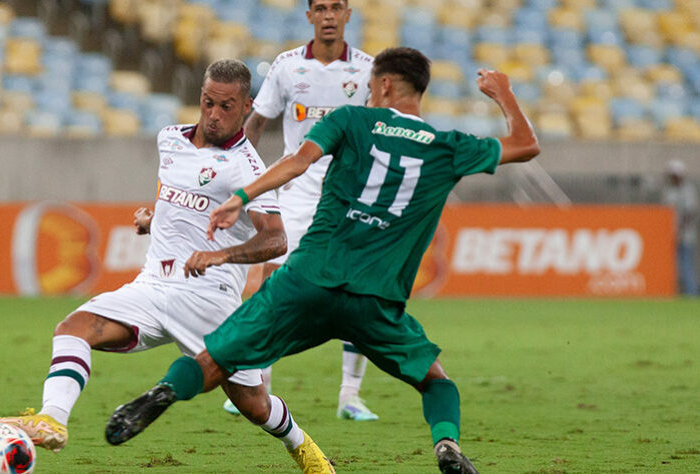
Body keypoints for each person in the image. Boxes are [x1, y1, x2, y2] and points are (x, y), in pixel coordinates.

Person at [105, 47, 540, 473]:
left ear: (385, 85)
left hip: (307, 281)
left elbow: (297, 162)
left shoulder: (350, 119)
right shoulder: (448, 147)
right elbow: (525, 145)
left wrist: (241, 197)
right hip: (376, 299)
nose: (368, 95)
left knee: (216, 357)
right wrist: (502, 92)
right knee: (436, 382)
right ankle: (446, 443)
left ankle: (163, 392)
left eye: (370, 88)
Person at [0, 59, 335, 473]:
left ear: (247, 107)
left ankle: (303, 448)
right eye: (208, 103)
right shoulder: (170, 139)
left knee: (254, 406)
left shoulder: (249, 168)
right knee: (72, 329)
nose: (215, 115)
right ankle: (52, 420)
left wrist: (220, 255)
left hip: (209, 301)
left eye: (226, 106)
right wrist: (155, 220)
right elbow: (183, 202)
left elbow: (275, 239)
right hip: (152, 286)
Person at [224, 0, 379, 422]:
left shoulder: (368, 70)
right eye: (321, 8)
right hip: (294, 191)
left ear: (349, 14)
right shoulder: (288, 66)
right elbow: (257, 124)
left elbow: (380, 133)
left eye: (337, 8)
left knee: (362, 291)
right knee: (270, 284)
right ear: (309, 16)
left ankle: (350, 396)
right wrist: (234, 172)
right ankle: (255, 381)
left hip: (348, 194)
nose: (329, 16)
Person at [662, 160, 698, 296]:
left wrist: (680, 229)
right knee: (674, 265)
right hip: (671, 234)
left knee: (686, 263)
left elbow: (690, 212)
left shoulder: (687, 190)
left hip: (686, 235)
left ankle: (691, 292)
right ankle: (676, 291)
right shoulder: (669, 191)